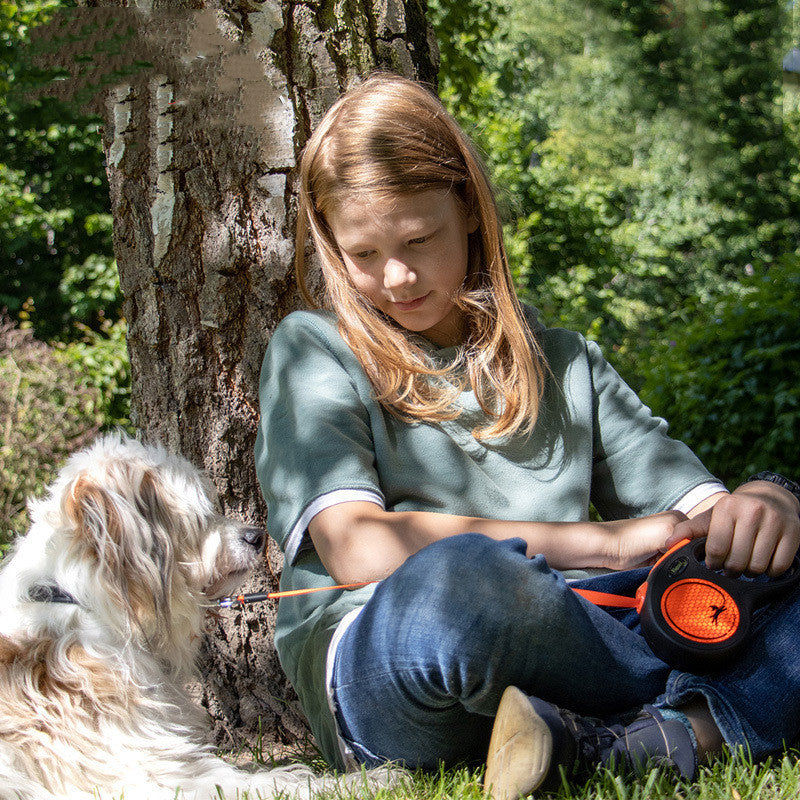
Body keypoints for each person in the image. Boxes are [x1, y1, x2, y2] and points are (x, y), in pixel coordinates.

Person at [254, 72, 800, 798]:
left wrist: (772, 499)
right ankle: (712, 702)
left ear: (471, 211)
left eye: (420, 238)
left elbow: (702, 517)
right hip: (398, 657)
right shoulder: (312, 349)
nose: (396, 276)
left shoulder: (565, 360)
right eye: (363, 255)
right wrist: (608, 542)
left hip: (580, 637)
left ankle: (638, 744)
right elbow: (357, 546)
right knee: (466, 581)